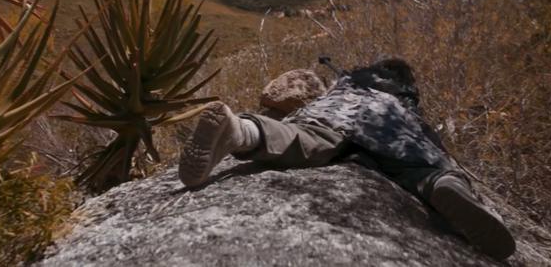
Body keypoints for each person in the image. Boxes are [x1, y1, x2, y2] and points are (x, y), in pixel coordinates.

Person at [178, 58, 516, 261]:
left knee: (303, 138)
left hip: (337, 112)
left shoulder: (350, 82)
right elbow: (425, 134)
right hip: (390, 124)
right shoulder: (401, 97)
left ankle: (239, 130)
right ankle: (445, 187)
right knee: (426, 165)